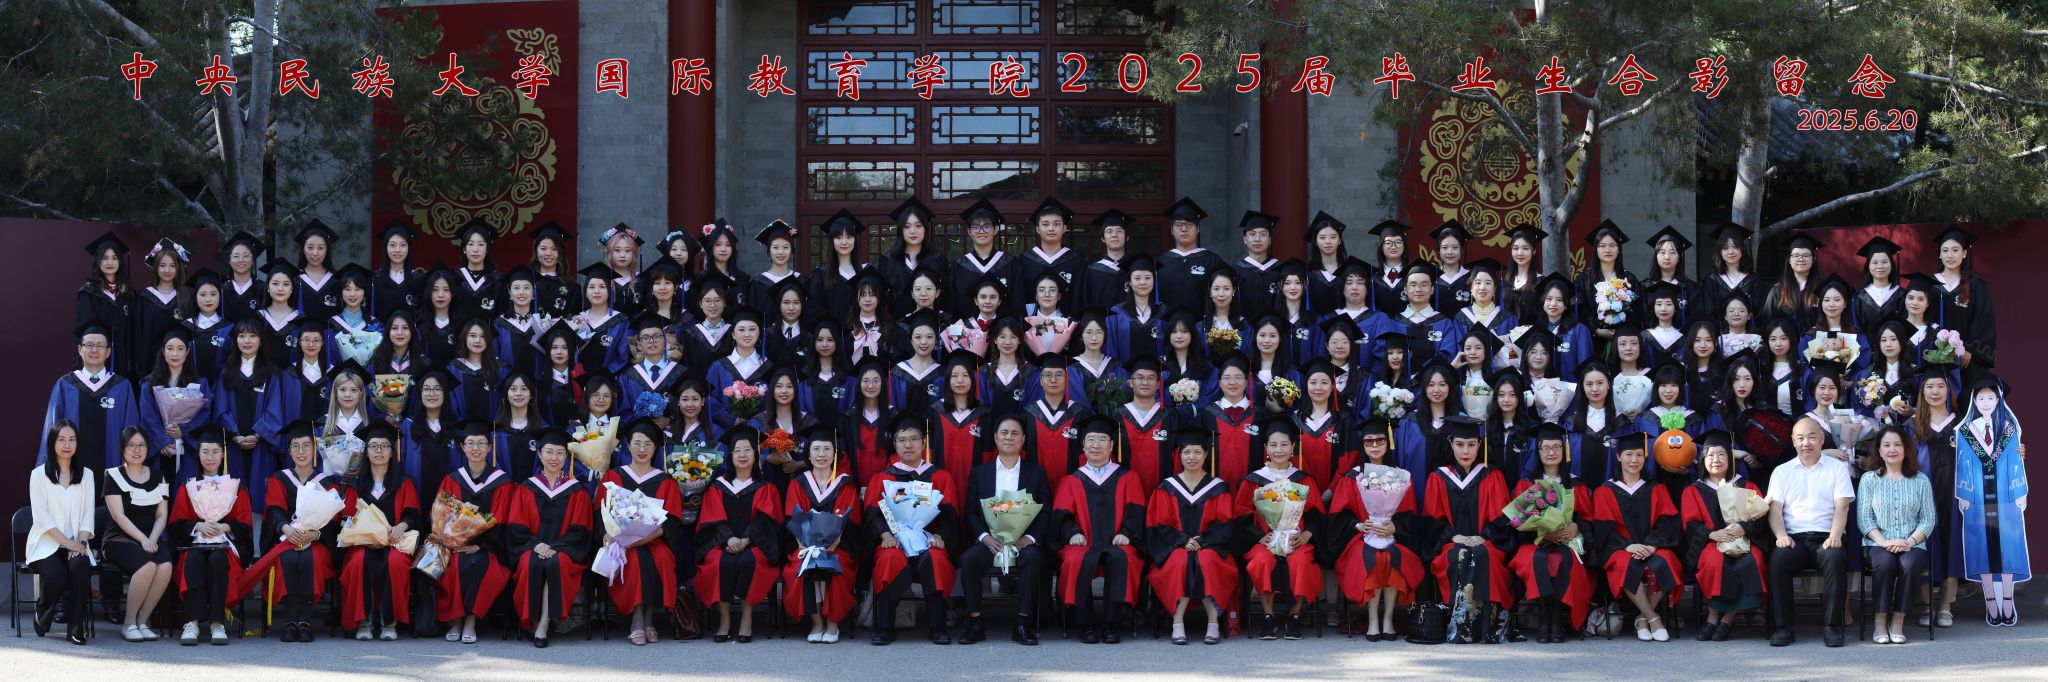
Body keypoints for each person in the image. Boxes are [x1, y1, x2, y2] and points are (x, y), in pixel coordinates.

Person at [1323, 415, 1425, 642]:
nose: (1375, 445)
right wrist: (1358, 525)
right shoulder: (1352, 477)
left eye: (1380, 440)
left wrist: (1395, 527)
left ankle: (1387, 618)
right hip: (1360, 539)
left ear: (1388, 443)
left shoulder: (1399, 477)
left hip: (1392, 537)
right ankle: (1372, 620)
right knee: (1375, 557)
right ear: (1363, 445)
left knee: (1391, 556)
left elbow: (1409, 515)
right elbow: (1338, 516)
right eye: (1369, 441)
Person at [956, 414, 1055, 646]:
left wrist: (1029, 538)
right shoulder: (980, 473)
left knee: (1033, 559)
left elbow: (1045, 511)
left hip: (1022, 542)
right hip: (990, 542)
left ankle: (1022, 623)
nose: (1009, 437)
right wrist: (984, 538)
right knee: (969, 560)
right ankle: (974, 622)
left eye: (1014, 433)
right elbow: (970, 511)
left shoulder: (1036, 473)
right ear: (995, 438)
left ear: (1023, 439)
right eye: (1004, 433)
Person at [863, 414, 961, 645]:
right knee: (889, 558)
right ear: (895, 445)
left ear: (924, 442)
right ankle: (885, 627)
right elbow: (873, 514)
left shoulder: (940, 477)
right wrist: (885, 535)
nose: (908, 445)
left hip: (929, 540)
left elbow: (950, 517)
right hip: (894, 541)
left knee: (936, 559)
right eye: (902, 440)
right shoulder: (883, 478)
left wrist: (939, 536)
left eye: (914, 439)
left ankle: (937, 627)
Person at [1053, 415, 1147, 644]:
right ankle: (1085, 623)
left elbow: (1136, 510)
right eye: (1091, 440)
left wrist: (1126, 532)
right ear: (1083, 445)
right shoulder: (1071, 480)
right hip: (1083, 541)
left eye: (1102, 440)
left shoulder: (1127, 476)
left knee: (1122, 557)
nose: (1096, 445)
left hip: (1116, 540)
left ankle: (1111, 623)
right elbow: (1061, 514)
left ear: (1111, 445)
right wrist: (1072, 533)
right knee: (1074, 559)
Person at [1765, 416, 1856, 647]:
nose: (1806, 442)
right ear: (1793, 441)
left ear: (1822, 439)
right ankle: (1783, 628)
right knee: (1778, 560)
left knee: (1835, 558)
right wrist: (1781, 535)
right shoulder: (1781, 471)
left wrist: (1835, 535)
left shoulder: (1837, 468)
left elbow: (1842, 507)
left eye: (1812, 437)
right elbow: (1775, 510)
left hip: (1826, 537)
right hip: (1793, 539)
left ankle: (1832, 627)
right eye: (1801, 438)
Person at [1145, 427, 1238, 646]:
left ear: (1206, 455)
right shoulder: (1167, 487)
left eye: (1197, 452)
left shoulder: (1218, 487)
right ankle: (1177, 622)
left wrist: (1202, 541)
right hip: (1175, 547)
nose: (1191, 457)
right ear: (1179, 455)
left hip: (1211, 546)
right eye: (1186, 452)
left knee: (1207, 560)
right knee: (1180, 561)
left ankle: (1213, 623)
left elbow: (1224, 524)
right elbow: (1159, 524)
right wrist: (1182, 540)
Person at [1422, 416, 1513, 637]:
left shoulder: (1492, 475)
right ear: (1451, 444)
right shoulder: (1438, 477)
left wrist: (1484, 536)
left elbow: (1501, 518)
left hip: (1487, 541)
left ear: (1479, 445)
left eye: (1471, 444)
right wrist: (1453, 536)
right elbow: (1432, 519)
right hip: (1452, 541)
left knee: (1484, 554)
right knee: (1458, 554)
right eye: (1460, 444)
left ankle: (1487, 627)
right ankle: (1456, 626)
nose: (1465, 451)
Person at [1590, 433, 1684, 642]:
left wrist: (1652, 545)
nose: (1634, 460)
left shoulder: (1657, 489)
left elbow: (1667, 523)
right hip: (1621, 549)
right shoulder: (1604, 491)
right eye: (1629, 454)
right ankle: (1653, 618)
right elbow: (1603, 530)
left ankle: (1642, 619)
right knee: (1623, 563)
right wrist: (1627, 546)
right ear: (1618, 456)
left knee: (1667, 561)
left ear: (1645, 458)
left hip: (1653, 547)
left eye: (1639, 455)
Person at [694, 427, 784, 643]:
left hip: (755, 544)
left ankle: (746, 618)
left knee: (749, 561)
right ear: (731, 456)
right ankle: (724, 619)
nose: (742, 455)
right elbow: (712, 517)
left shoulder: (766, 487)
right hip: (722, 544)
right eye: (737, 451)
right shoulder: (718, 486)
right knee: (719, 562)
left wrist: (746, 540)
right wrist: (729, 538)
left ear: (756, 455)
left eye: (747, 450)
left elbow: (766, 519)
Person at [1236, 418, 1322, 640]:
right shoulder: (1254, 480)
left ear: (1293, 447)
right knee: (1261, 561)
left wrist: (1308, 534)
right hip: (1265, 540)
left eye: (1284, 444)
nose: (1278, 450)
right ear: (1265, 448)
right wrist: (1258, 537)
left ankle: (1295, 615)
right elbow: (1241, 514)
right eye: (1273, 445)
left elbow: (1316, 514)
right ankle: (1268, 616)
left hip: (1295, 539)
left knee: (1301, 561)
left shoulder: (1303, 479)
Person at [600, 417, 684, 645]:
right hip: (620, 543)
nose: (642, 449)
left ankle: (648, 617)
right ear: (628, 446)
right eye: (637, 443)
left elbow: (671, 522)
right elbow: (601, 512)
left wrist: (644, 539)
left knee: (661, 557)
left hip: (654, 540)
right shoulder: (614, 477)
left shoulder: (666, 481)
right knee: (634, 560)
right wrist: (608, 534)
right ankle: (638, 618)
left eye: (648, 444)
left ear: (655, 448)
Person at [1953, 370, 2028, 626]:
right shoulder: (1966, 431)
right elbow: (1963, 464)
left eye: (1991, 398)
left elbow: (2015, 462)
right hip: (1976, 497)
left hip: (2005, 495)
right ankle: (1991, 602)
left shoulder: (2008, 429)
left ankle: (2007, 600)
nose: (1986, 402)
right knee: (1981, 546)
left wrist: (2019, 492)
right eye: (1981, 398)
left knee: (2008, 545)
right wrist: (1963, 494)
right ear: (1974, 401)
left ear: (1998, 400)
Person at [1679, 430, 1769, 642]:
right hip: (1711, 543)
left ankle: (1727, 619)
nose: (1716, 460)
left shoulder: (1746, 486)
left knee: (1754, 560)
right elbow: (1690, 524)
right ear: (1703, 460)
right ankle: (1712, 617)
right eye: (1710, 455)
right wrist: (1712, 534)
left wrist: (1744, 528)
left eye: (1721, 454)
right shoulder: (1693, 490)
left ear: (1730, 458)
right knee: (1714, 562)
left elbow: (1761, 517)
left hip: (1745, 540)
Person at [1507, 422, 1592, 643]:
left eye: (1556, 447)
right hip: (1533, 543)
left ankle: (1557, 620)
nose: (1551, 452)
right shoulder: (1526, 484)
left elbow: (1588, 518)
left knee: (1566, 559)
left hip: (1567, 543)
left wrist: (1576, 527)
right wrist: (1542, 535)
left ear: (1564, 450)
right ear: (1538, 451)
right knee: (1537, 558)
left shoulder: (1575, 484)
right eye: (1545, 448)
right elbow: (1517, 521)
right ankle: (1544, 619)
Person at [167, 426, 251, 646]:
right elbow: (176, 525)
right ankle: (192, 622)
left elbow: (245, 525)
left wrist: (225, 527)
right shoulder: (188, 487)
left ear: (223, 454)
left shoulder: (235, 487)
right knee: (194, 559)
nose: (210, 457)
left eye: (215, 451)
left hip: (225, 547)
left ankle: (217, 622)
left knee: (217, 560)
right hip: (193, 545)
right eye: (205, 452)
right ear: (198, 454)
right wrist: (198, 526)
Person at [435, 419, 516, 644]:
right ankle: (456, 620)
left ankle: (470, 621)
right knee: (457, 564)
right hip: (455, 546)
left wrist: (480, 545)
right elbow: (441, 516)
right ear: (462, 447)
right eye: (471, 443)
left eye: (481, 443)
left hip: (490, 548)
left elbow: (501, 520)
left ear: (489, 447)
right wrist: (454, 542)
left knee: (478, 563)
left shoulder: (501, 482)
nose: (476, 448)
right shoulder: (452, 480)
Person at [337, 421, 418, 641]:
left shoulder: (404, 483)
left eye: (384, 446)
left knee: (396, 562)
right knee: (357, 562)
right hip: (362, 544)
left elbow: (412, 514)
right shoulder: (355, 485)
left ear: (392, 452)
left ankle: (389, 622)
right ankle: (363, 621)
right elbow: (347, 519)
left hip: (394, 542)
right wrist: (365, 537)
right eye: (373, 446)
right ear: (366, 451)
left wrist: (402, 526)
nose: (379, 451)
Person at [783, 424, 860, 644]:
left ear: (835, 454)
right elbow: (793, 517)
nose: (821, 454)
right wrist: (802, 543)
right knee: (800, 567)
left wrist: (835, 541)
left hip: (838, 545)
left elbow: (849, 520)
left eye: (827, 449)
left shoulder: (845, 484)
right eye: (816, 449)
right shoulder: (798, 483)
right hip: (804, 545)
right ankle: (816, 622)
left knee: (837, 566)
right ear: (808, 454)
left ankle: (833, 623)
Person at [263, 420, 338, 643]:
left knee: (310, 558)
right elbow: (274, 510)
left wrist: (316, 535)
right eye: (295, 446)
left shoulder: (327, 482)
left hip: (317, 542)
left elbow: (333, 519)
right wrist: (286, 528)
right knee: (286, 557)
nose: (301, 451)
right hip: (286, 539)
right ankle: (290, 620)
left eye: (306, 445)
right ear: (289, 451)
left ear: (314, 449)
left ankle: (305, 620)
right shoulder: (279, 479)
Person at [1858, 425, 1936, 643]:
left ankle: (1898, 622)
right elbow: (1864, 519)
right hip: (1877, 544)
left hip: (1912, 544)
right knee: (1885, 564)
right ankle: (1880, 622)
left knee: (1910, 565)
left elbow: (1928, 519)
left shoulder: (1920, 480)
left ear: (1906, 449)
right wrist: (1883, 541)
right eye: (1887, 445)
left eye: (1897, 445)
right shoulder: (1869, 479)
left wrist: (1910, 541)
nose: (1892, 449)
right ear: (1879, 451)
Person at [41, 320, 144, 469]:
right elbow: (52, 429)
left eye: (100, 346)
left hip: (112, 469)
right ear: (79, 349)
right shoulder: (65, 385)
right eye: (89, 345)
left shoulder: (122, 386)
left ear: (108, 352)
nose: (94, 350)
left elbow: (131, 428)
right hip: (71, 470)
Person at [27, 421, 95, 645]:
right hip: (46, 542)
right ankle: (42, 612)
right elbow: (41, 518)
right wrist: (67, 543)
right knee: (57, 574)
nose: (67, 445)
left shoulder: (86, 475)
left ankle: (76, 629)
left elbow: (88, 515)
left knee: (79, 566)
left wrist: (81, 543)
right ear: (52, 443)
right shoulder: (38, 475)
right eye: (62, 439)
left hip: (77, 542)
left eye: (72, 439)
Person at [102, 427, 172, 642]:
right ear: (122, 449)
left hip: (150, 537)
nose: (136, 450)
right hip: (118, 539)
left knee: (165, 566)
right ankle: (129, 623)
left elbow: (162, 514)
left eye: (141, 445)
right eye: (131, 445)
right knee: (147, 565)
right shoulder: (113, 475)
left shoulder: (159, 476)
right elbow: (118, 516)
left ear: (148, 449)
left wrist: (152, 539)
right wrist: (143, 539)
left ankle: (143, 621)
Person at [948, 200, 1020, 318]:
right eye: (976, 227)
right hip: (967, 329)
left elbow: (1017, 303)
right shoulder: (959, 267)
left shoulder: (1010, 264)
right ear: (969, 231)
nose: (981, 231)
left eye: (987, 226)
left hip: (1004, 328)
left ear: (996, 229)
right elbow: (952, 305)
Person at [1155, 197, 1228, 315]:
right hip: (1168, 325)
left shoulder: (1213, 261)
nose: (1184, 229)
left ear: (1197, 229)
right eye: (1179, 225)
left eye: (1189, 225)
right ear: (1172, 230)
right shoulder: (1160, 263)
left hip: (1204, 324)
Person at [1019, 197, 1085, 317]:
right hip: (1032, 324)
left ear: (1064, 228)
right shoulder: (1025, 260)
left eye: (1056, 224)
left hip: (1068, 323)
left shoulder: (1076, 260)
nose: (1051, 228)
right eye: (1045, 224)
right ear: (1038, 229)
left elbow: (1079, 297)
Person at [1233, 210, 1283, 322]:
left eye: (1263, 234)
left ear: (1270, 240)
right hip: (1244, 329)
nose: (1257, 239)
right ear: (1245, 239)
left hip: (1275, 329)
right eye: (1252, 234)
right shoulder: (1235, 271)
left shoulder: (1280, 270)